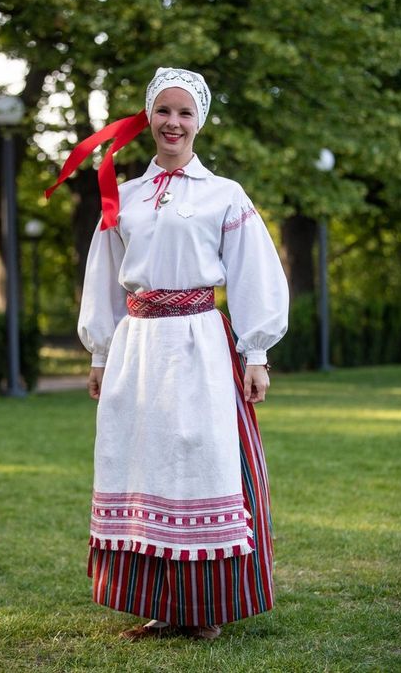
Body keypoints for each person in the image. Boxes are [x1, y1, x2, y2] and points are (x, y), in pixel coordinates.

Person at [48, 67, 289, 641]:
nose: (173, 122)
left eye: (185, 113)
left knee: (197, 458)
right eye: (164, 111)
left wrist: (255, 351)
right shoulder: (123, 197)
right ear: (148, 117)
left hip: (199, 343)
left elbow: (256, 271)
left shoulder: (224, 195)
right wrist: (99, 355)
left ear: (198, 121)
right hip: (137, 350)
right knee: (144, 464)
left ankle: (205, 610)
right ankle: (161, 607)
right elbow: (103, 279)